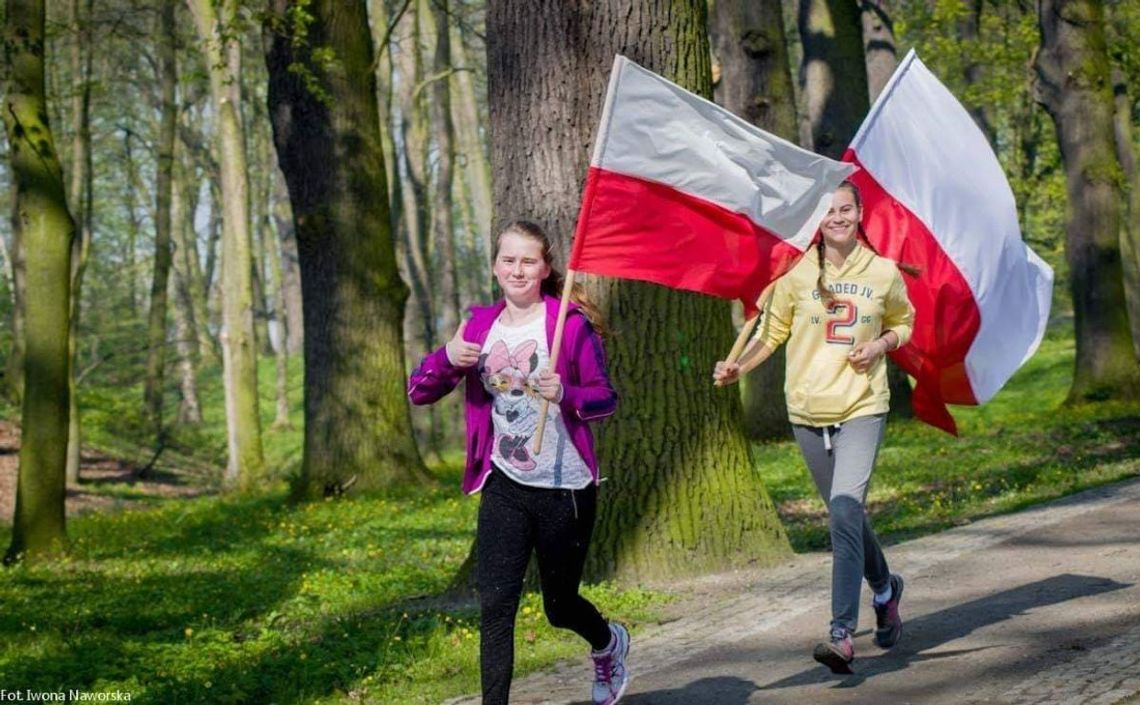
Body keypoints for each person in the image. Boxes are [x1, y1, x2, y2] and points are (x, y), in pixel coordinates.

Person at [407, 220, 629, 705]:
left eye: (529, 260)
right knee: (497, 607)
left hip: (566, 486)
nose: (518, 269)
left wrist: (567, 394)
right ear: (495, 266)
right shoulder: (479, 326)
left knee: (560, 605)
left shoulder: (568, 323)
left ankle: (608, 643)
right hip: (505, 482)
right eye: (509, 259)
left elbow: (606, 400)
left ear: (546, 267)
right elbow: (419, 391)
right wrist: (446, 357)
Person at [713, 181, 916, 674]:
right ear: (817, 220)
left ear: (859, 213)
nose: (838, 218)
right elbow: (772, 332)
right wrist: (742, 367)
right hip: (806, 412)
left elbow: (904, 322)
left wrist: (881, 345)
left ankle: (841, 633)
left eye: (846, 209)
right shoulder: (794, 272)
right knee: (848, 517)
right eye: (829, 212)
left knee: (844, 511)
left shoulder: (883, 271)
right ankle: (886, 589)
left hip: (862, 405)